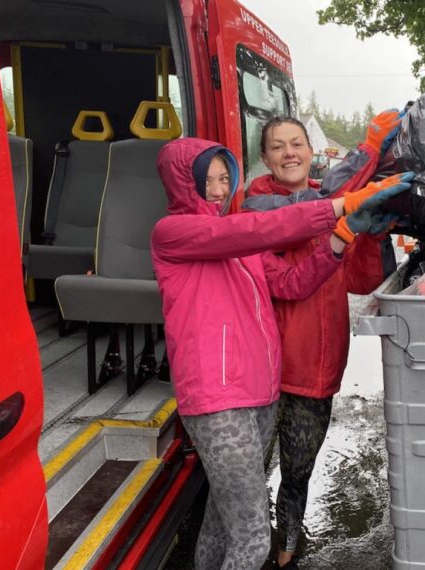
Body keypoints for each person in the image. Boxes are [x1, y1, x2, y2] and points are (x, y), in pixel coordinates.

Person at [151, 137, 411, 570]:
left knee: (221, 522)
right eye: (205, 181)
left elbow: (293, 282)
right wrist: (340, 205)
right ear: (182, 185)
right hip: (218, 401)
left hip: (259, 395)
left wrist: (341, 237)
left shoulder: (239, 244)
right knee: (254, 541)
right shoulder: (174, 233)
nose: (217, 190)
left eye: (223, 179)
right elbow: (259, 230)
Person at [243, 111, 404, 569]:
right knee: (247, 477)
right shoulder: (257, 207)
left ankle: (287, 552)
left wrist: (372, 234)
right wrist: (364, 160)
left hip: (316, 367)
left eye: (297, 144)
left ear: (311, 152)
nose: (289, 153)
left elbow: (361, 280)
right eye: (278, 146)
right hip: (263, 369)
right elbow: (290, 271)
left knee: (297, 475)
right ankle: (248, 550)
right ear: (265, 158)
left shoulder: (334, 201)